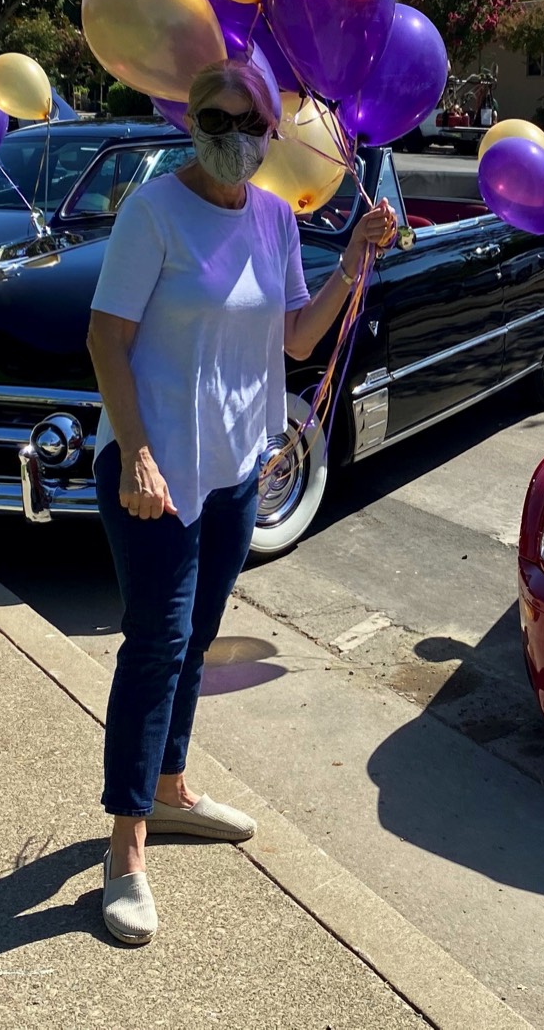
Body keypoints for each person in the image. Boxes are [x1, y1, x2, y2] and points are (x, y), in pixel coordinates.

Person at [84, 58, 396, 946]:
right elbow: (106, 340)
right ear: (190, 124)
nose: (232, 138)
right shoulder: (153, 213)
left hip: (232, 469)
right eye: (214, 121)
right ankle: (126, 848)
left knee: (196, 638)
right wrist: (137, 455)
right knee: (155, 646)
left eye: (248, 123)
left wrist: (352, 262)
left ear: (271, 131)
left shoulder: (272, 216)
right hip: (153, 473)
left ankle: (171, 789)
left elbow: (295, 336)